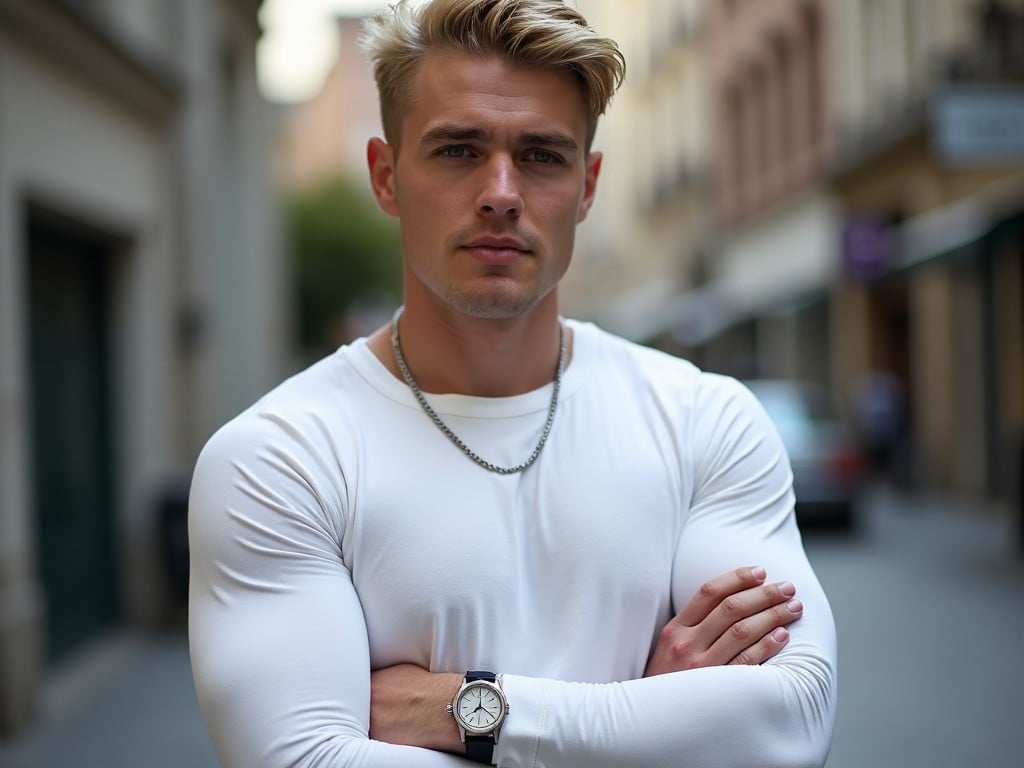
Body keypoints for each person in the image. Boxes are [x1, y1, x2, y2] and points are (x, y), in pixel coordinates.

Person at [187, 1, 837, 766]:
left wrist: (469, 710)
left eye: (542, 156)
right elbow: (299, 761)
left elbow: (787, 726)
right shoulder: (280, 458)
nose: (501, 191)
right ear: (385, 176)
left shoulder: (705, 420)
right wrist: (653, 723)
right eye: (459, 151)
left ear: (588, 185)